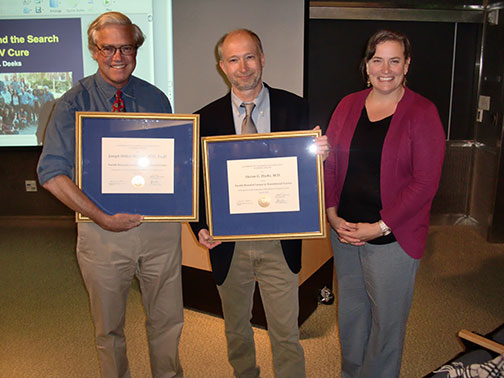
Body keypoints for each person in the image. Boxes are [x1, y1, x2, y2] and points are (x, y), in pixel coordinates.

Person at [37, 12, 183, 378]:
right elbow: (51, 174)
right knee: (109, 329)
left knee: (167, 321)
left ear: (136, 49)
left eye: (126, 47)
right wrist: (101, 216)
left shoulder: (156, 98)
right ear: (94, 50)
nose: (118, 56)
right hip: (101, 232)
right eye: (108, 48)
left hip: (158, 229)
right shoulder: (72, 104)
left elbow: (169, 161)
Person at [190, 29, 329, 378]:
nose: (243, 67)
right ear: (222, 66)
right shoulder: (204, 118)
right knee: (236, 330)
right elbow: (194, 182)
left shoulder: (295, 107)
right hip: (228, 243)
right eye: (233, 59)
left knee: (286, 333)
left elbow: (305, 175)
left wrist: (319, 160)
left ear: (262, 58)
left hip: (278, 241)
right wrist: (200, 226)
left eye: (249, 57)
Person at [324, 30, 446, 378]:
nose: (385, 68)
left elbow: (425, 183)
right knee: (351, 314)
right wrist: (333, 215)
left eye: (395, 60)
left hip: (393, 237)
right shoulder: (348, 105)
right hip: (345, 232)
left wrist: (379, 227)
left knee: (387, 322)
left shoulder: (422, 112)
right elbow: (332, 164)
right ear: (367, 65)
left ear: (407, 66)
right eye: (378, 60)